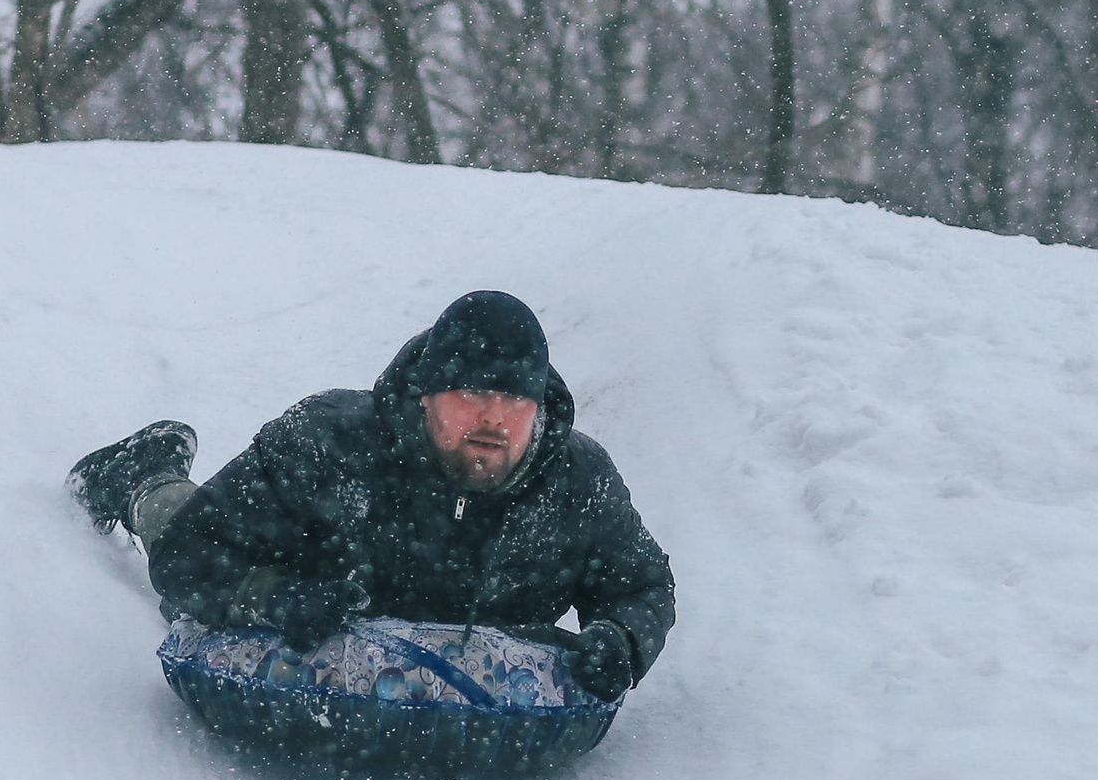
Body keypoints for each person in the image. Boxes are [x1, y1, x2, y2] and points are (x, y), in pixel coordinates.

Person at [69, 291, 674, 702]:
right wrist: (273, 597)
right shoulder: (328, 444)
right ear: (427, 395)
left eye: (515, 399)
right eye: (471, 392)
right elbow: (188, 555)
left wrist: (621, 640)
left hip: (462, 700)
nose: (494, 416)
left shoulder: (576, 483)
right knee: (178, 516)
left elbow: (640, 586)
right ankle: (143, 474)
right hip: (307, 619)